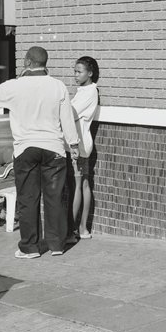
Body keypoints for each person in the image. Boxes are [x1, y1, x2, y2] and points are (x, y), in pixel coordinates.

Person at [0, 46, 79, 259]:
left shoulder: (15, 86)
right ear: (46, 63)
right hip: (53, 149)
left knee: (28, 198)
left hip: (25, 149)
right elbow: (66, 119)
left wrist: (19, 78)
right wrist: (73, 145)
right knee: (55, 197)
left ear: (27, 62)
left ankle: (30, 247)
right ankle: (56, 245)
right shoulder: (58, 86)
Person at [70, 55, 100, 239]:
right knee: (82, 184)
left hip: (79, 145)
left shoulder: (89, 92)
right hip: (78, 144)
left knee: (79, 185)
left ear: (90, 73)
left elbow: (70, 113)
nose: (75, 75)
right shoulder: (82, 91)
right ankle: (81, 228)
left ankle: (78, 229)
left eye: (79, 72)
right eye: (74, 71)